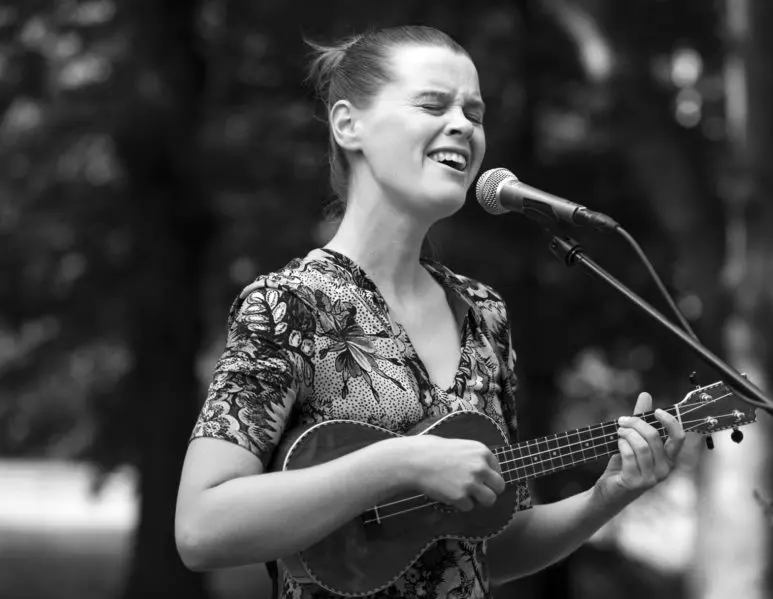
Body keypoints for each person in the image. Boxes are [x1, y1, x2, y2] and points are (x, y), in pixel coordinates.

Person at [174, 25, 686, 599]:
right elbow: (200, 530)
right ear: (348, 125)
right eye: (433, 105)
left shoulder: (484, 314)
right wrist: (400, 464)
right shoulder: (288, 305)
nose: (464, 125)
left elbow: (485, 546)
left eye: (475, 113)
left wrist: (607, 496)